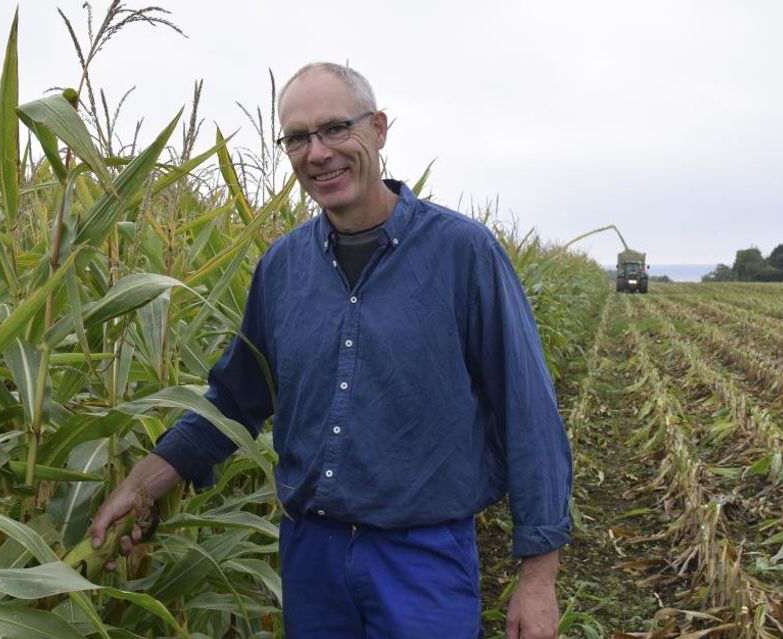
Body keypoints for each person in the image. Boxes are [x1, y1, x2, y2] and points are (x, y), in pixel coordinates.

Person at [90, 62, 572, 639]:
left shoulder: (463, 255)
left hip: (422, 558)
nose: (317, 153)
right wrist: (142, 485)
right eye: (297, 138)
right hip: (310, 555)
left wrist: (538, 576)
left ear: (379, 129)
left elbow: (528, 412)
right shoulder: (283, 268)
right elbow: (235, 401)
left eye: (336, 129)